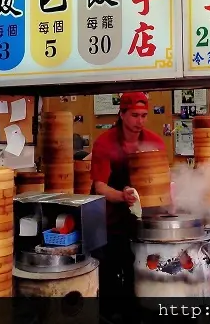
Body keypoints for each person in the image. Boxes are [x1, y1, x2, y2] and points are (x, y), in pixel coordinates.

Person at [90, 92, 165, 298]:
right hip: (109, 219)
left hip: (141, 219)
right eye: (134, 115)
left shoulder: (154, 141)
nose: (139, 121)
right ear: (121, 114)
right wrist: (123, 197)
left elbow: (160, 181)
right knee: (110, 273)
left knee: (139, 271)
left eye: (143, 115)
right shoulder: (105, 143)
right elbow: (100, 187)